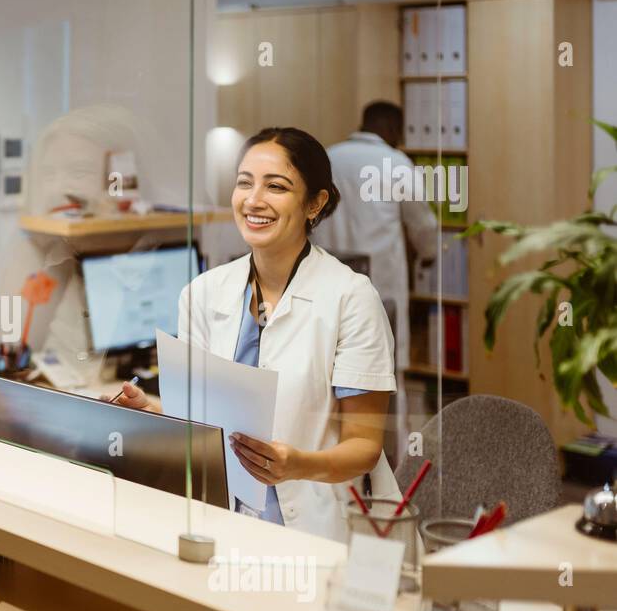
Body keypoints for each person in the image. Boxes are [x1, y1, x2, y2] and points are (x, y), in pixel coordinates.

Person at [111, 127, 401, 543]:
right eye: (244, 183)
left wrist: (295, 464)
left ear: (315, 204)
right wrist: (155, 413)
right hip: (219, 516)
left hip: (312, 526)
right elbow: (204, 424)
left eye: (276, 186)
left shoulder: (351, 298)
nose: (253, 199)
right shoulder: (203, 293)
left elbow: (364, 446)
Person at [319, 102, 440, 446]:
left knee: (334, 377)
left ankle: (342, 461)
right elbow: (424, 226)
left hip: (329, 286)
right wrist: (428, 258)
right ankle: (392, 473)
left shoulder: (328, 158)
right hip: (380, 292)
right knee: (386, 379)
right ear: (391, 128)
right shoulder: (396, 162)